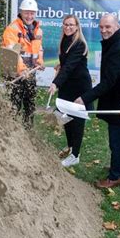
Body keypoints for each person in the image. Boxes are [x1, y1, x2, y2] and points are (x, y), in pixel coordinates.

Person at [74, 14, 120, 188]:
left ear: (117, 26)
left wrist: (84, 98)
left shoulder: (119, 49)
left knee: (116, 138)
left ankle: (115, 176)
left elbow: (108, 83)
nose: (104, 30)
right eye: (101, 27)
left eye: (108, 27)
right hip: (118, 96)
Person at [48, 15, 92, 167]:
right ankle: (71, 146)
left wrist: (55, 83)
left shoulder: (79, 43)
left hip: (79, 87)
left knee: (77, 120)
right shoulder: (65, 40)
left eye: (71, 25)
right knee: (66, 117)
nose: (68, 27)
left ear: (77, 26)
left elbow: (70, 66)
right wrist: (59, 65)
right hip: (68, 85)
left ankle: (75, 155)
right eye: (65, 24)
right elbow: (66, 63)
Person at [3, 0, 44, 128]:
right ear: (21, 12)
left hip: (30, 73)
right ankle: (13, 135)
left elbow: (39, 48)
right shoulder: (12, 29)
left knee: (30, 106)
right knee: (14, 106)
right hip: (15, 74)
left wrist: (39, 61)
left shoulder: (38, 30)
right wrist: (21, 69)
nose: (29, 16)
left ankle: (28, 133)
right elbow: (12, 51)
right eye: (27, 13)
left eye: (32, 13)